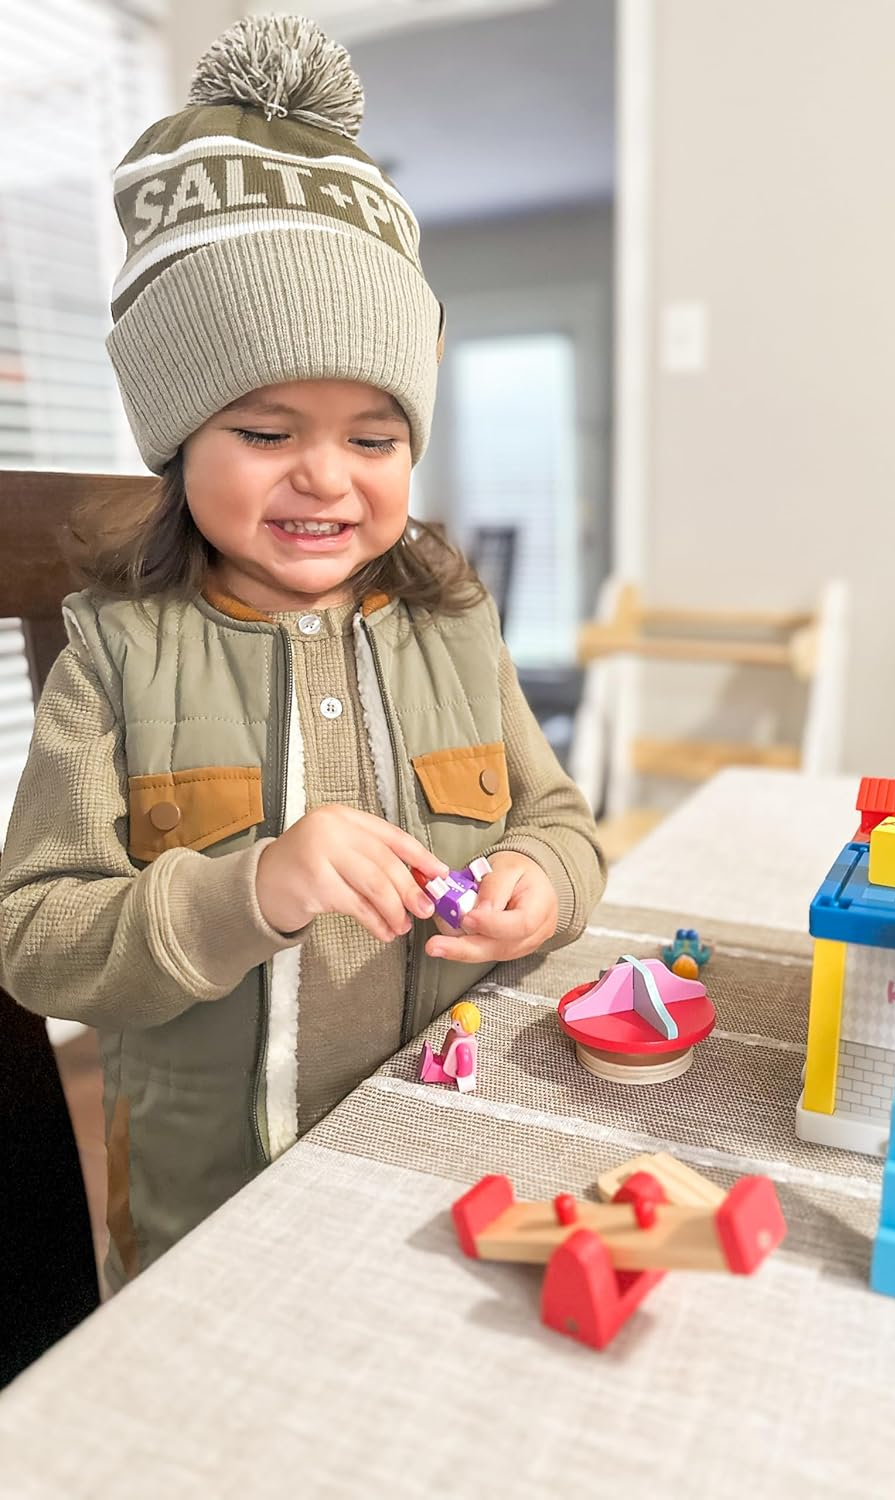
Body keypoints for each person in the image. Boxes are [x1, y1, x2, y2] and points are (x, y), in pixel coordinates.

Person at [0, 15, 605, 1292]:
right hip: (214, 1208)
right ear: (178, 443)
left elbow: (562, 821)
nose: (326, 476)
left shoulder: (454, 622)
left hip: (448, 1164)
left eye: (374, 438)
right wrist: (258, 885)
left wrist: (544, 884)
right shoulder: (115, 655)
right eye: (268, 430)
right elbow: (39, 939)